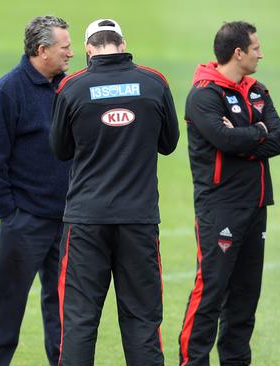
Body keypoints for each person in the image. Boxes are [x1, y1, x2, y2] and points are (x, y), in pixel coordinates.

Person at [50, 19, 180, 366]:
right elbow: (169, 144)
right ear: (122, 45)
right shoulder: (154, 83)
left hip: (86, 221)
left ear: (89, 49)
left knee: (78, 321)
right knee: (142, 321)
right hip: (138, 220)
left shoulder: (72, 87)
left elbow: (60, 149)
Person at [178, 21, 280, 366]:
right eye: (256, 48)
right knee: (210, 293)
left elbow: (278, 140)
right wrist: (258, 132)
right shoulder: (203, 95)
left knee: (244, 300)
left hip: (256, 206)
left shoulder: (257, 90)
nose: (261, 54)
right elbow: (223, 139)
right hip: (220, 209)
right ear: (238, 53)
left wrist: (246, 135)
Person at [0, 15, 73, 365]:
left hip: (69, 221)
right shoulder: (5, 92)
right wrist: (12, 216)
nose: (71, 54)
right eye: (65, 48)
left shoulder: (70, 88)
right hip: (25, 222)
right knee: (6, 306)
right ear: (42, 49)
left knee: (66, 309)